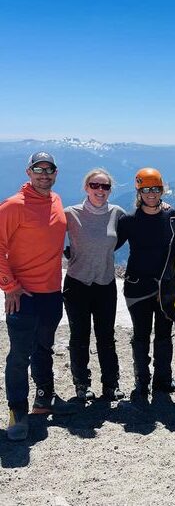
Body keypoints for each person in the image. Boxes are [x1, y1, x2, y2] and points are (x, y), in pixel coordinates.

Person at [0, 152, 77, 441]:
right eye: (38, 170)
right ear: (28, 172)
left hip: (51, 292)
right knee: (19, 355)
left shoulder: (55, 201)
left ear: (56, 173)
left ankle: (44, 399)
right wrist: (9, 286)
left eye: (49, 170)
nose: (44, 175)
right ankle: (17, 411)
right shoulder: (13, 206)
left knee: (43, 348)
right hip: (23, 295)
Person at [117, 168, 175, 401]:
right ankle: (142, 382)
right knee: (141, 335)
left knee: (164, 335)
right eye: (146, 190)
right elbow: (109, 246)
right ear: (139, 191)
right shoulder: (129, 221)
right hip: (138, 287)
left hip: (163, 287)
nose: (151, 194)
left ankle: (161, 382)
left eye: (155, 189)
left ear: (162, 190)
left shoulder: (171, 216)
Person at [63, 168, 126, 402]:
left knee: (106, 336)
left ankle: (111, 384)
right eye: (95, 185)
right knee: (79, 336)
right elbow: (50, 234)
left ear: (110, 190)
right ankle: (81, 384)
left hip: (105, 282)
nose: (100, 190)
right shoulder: (71, 213)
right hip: (77, 284)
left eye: (105, 186)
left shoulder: (117, 213)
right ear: (86, 187)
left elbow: (130, 231)